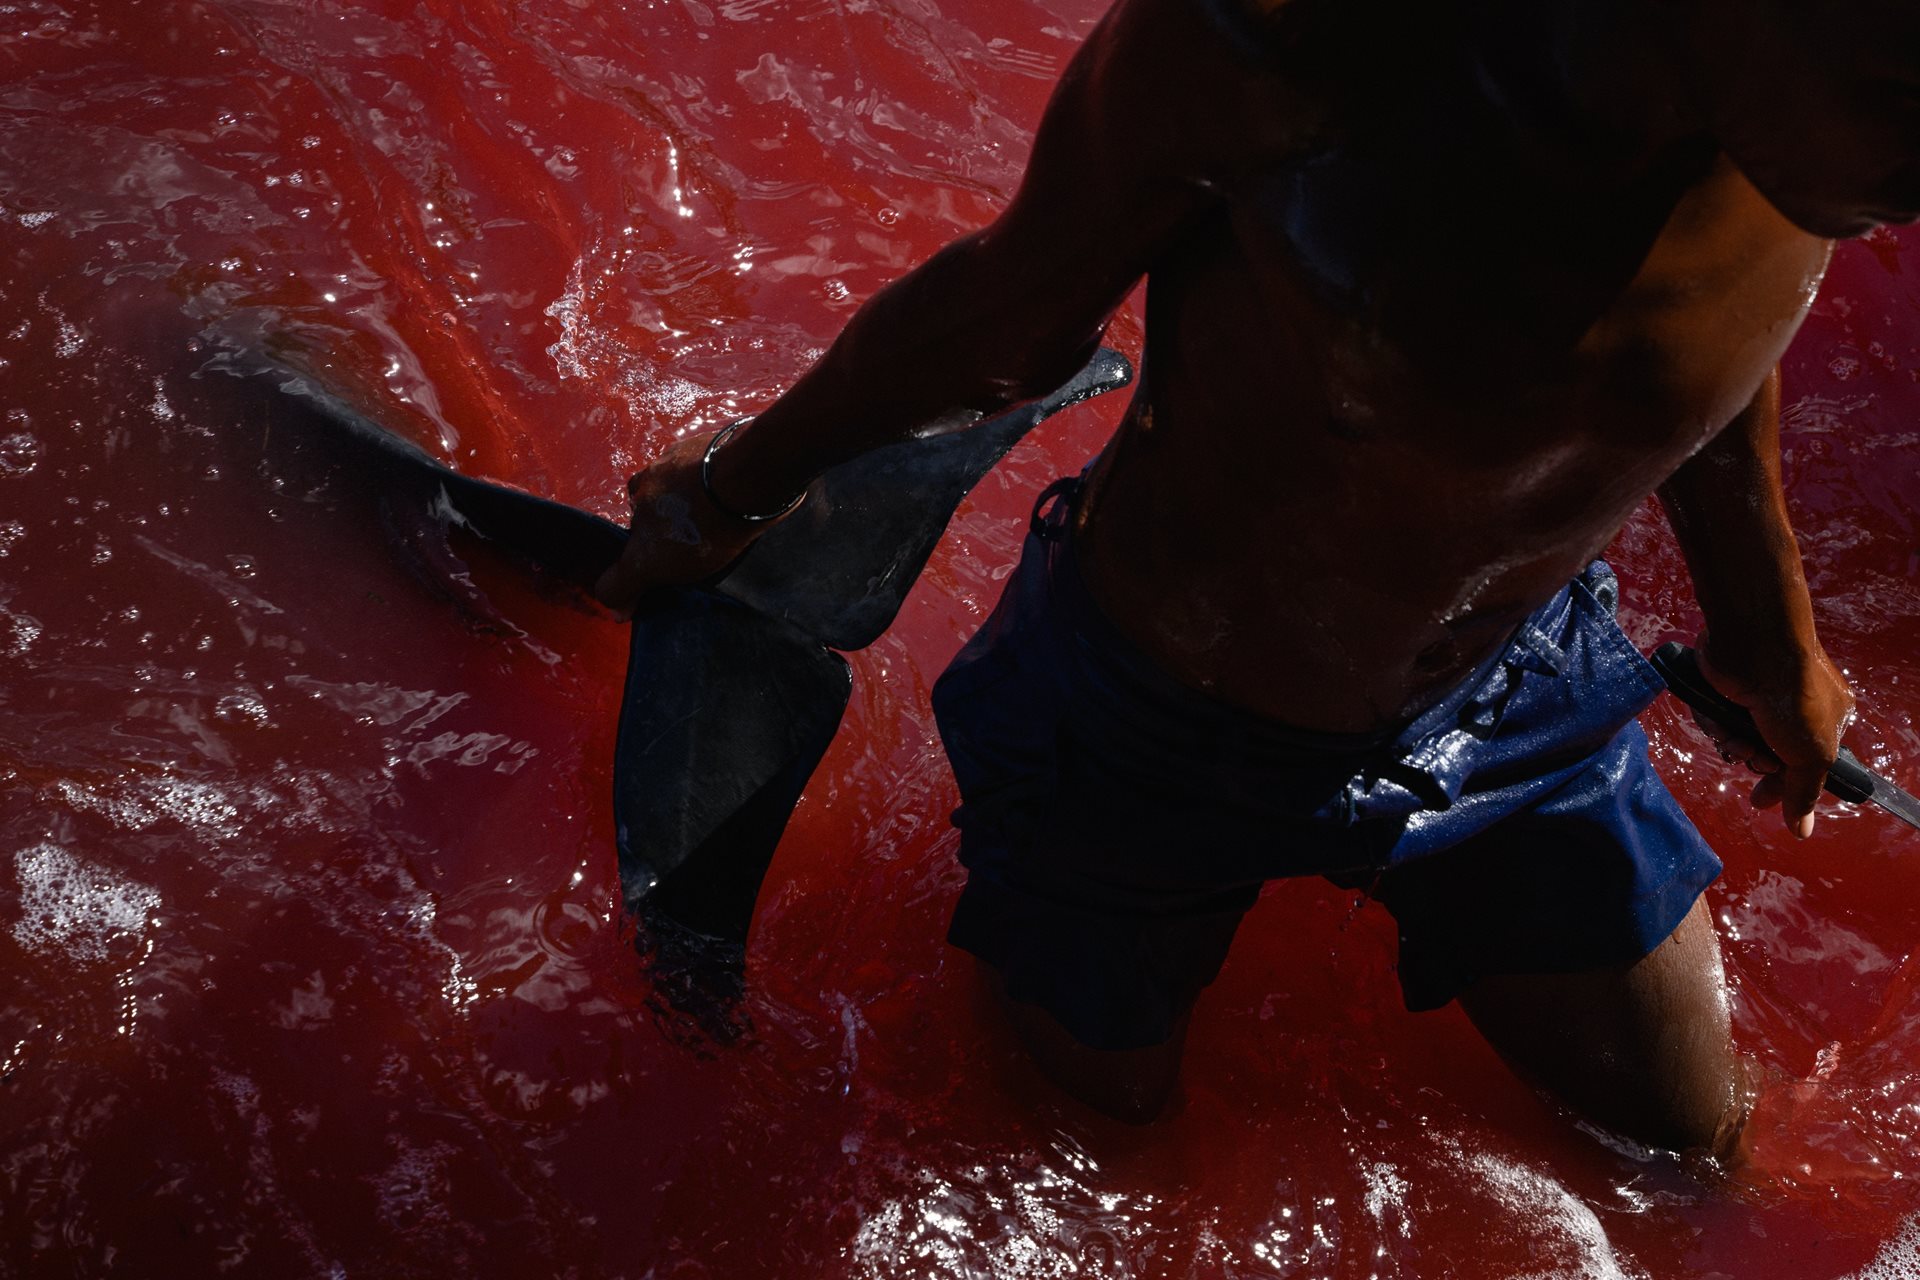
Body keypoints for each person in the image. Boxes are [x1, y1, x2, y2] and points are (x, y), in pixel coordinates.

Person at [593, 0, 1881, 1154]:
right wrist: (732, 493)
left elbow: (1729, 345)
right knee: (1080, 1162)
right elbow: (1002, 317)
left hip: (1512, 689)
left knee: (1691, 1160)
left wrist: (1767, 629)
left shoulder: (1806, 147)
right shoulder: (1280, 49)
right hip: (1150, 722)